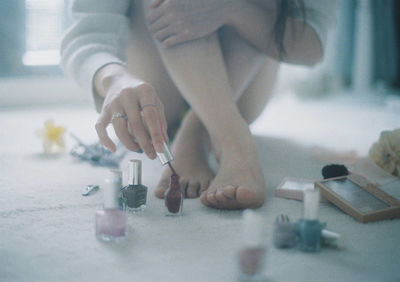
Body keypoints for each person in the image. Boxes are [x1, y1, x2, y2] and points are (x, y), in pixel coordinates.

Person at [61, 0, 336, 209]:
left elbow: (313, 38)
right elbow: (87, 38)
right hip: (154, 98)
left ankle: (213, 135)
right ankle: (224, 135)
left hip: (242, 95)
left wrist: (232, 7)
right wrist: (115, 79)